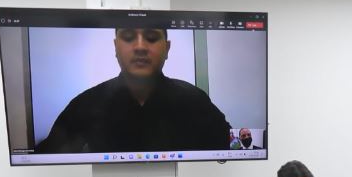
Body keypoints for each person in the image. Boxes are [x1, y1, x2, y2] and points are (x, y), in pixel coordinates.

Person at [36, 27, 231, 153]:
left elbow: (234, 147)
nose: (140, 47)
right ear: (115, 47)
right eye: (128, 37)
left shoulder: (194, 101)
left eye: (151, 37)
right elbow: (47, 159)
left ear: (167, 48)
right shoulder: (86, 104)